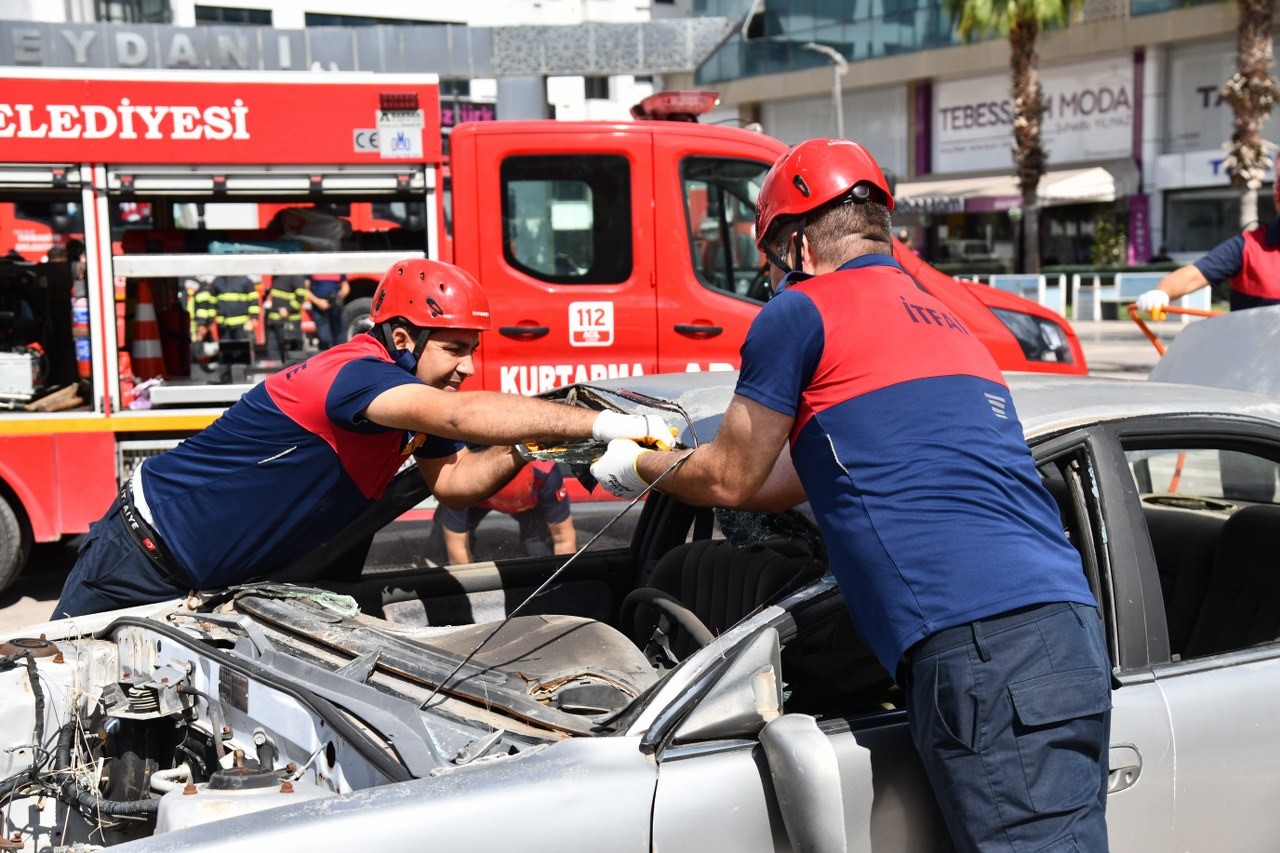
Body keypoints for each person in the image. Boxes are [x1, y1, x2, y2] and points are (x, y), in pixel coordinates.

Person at [591, 139, 1112, 852]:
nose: (771, 275)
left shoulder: (804, 311)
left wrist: (640, 467)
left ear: (798, 244)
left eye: (772, 257)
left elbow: (733, 477)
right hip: (1063, 633)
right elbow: (787, 480)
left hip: (984, 653)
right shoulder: (946, 324)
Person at [53, 259, 672, 618]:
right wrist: (601, 422)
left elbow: (454, 484)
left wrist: (528, 443)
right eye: (454, 349)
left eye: (472, 353)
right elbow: (460, 419)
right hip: (135, 559)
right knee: (55, 728)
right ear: (404, 340)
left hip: (201, 580)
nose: (465, 368)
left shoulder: (406, 408)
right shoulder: (351, 378)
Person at [1137, 157, 1280, 316]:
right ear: (1277, 200)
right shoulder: (1248, 246)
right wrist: (1161, 293)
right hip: (1251, 339)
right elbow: (1193, 275)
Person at [431, 460, 574, 564]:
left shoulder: (547, 474)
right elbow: (457, 548)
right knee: (442, 546)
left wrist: (568, 582)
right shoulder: (464, 483)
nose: (508, 508)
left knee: (539, 550)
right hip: (477, 500)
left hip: (530, 506)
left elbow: (564, 537)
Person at [263, 274, 308, 363]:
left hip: (290, 322)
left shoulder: (294, 276)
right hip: (273, 321)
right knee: (273, 352)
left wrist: (288, 309)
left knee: (292, 353)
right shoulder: (276, 276)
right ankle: (274, 374)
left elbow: (301, 296)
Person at [307, 273, 349, 350]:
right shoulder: (313, 267)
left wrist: (340, 295)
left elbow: (345, 286)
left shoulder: (337, 267)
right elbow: (305, 289)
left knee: (341, 338)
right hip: (319, 307)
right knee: (325, 338)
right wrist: (318, 302)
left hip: (336, 306)